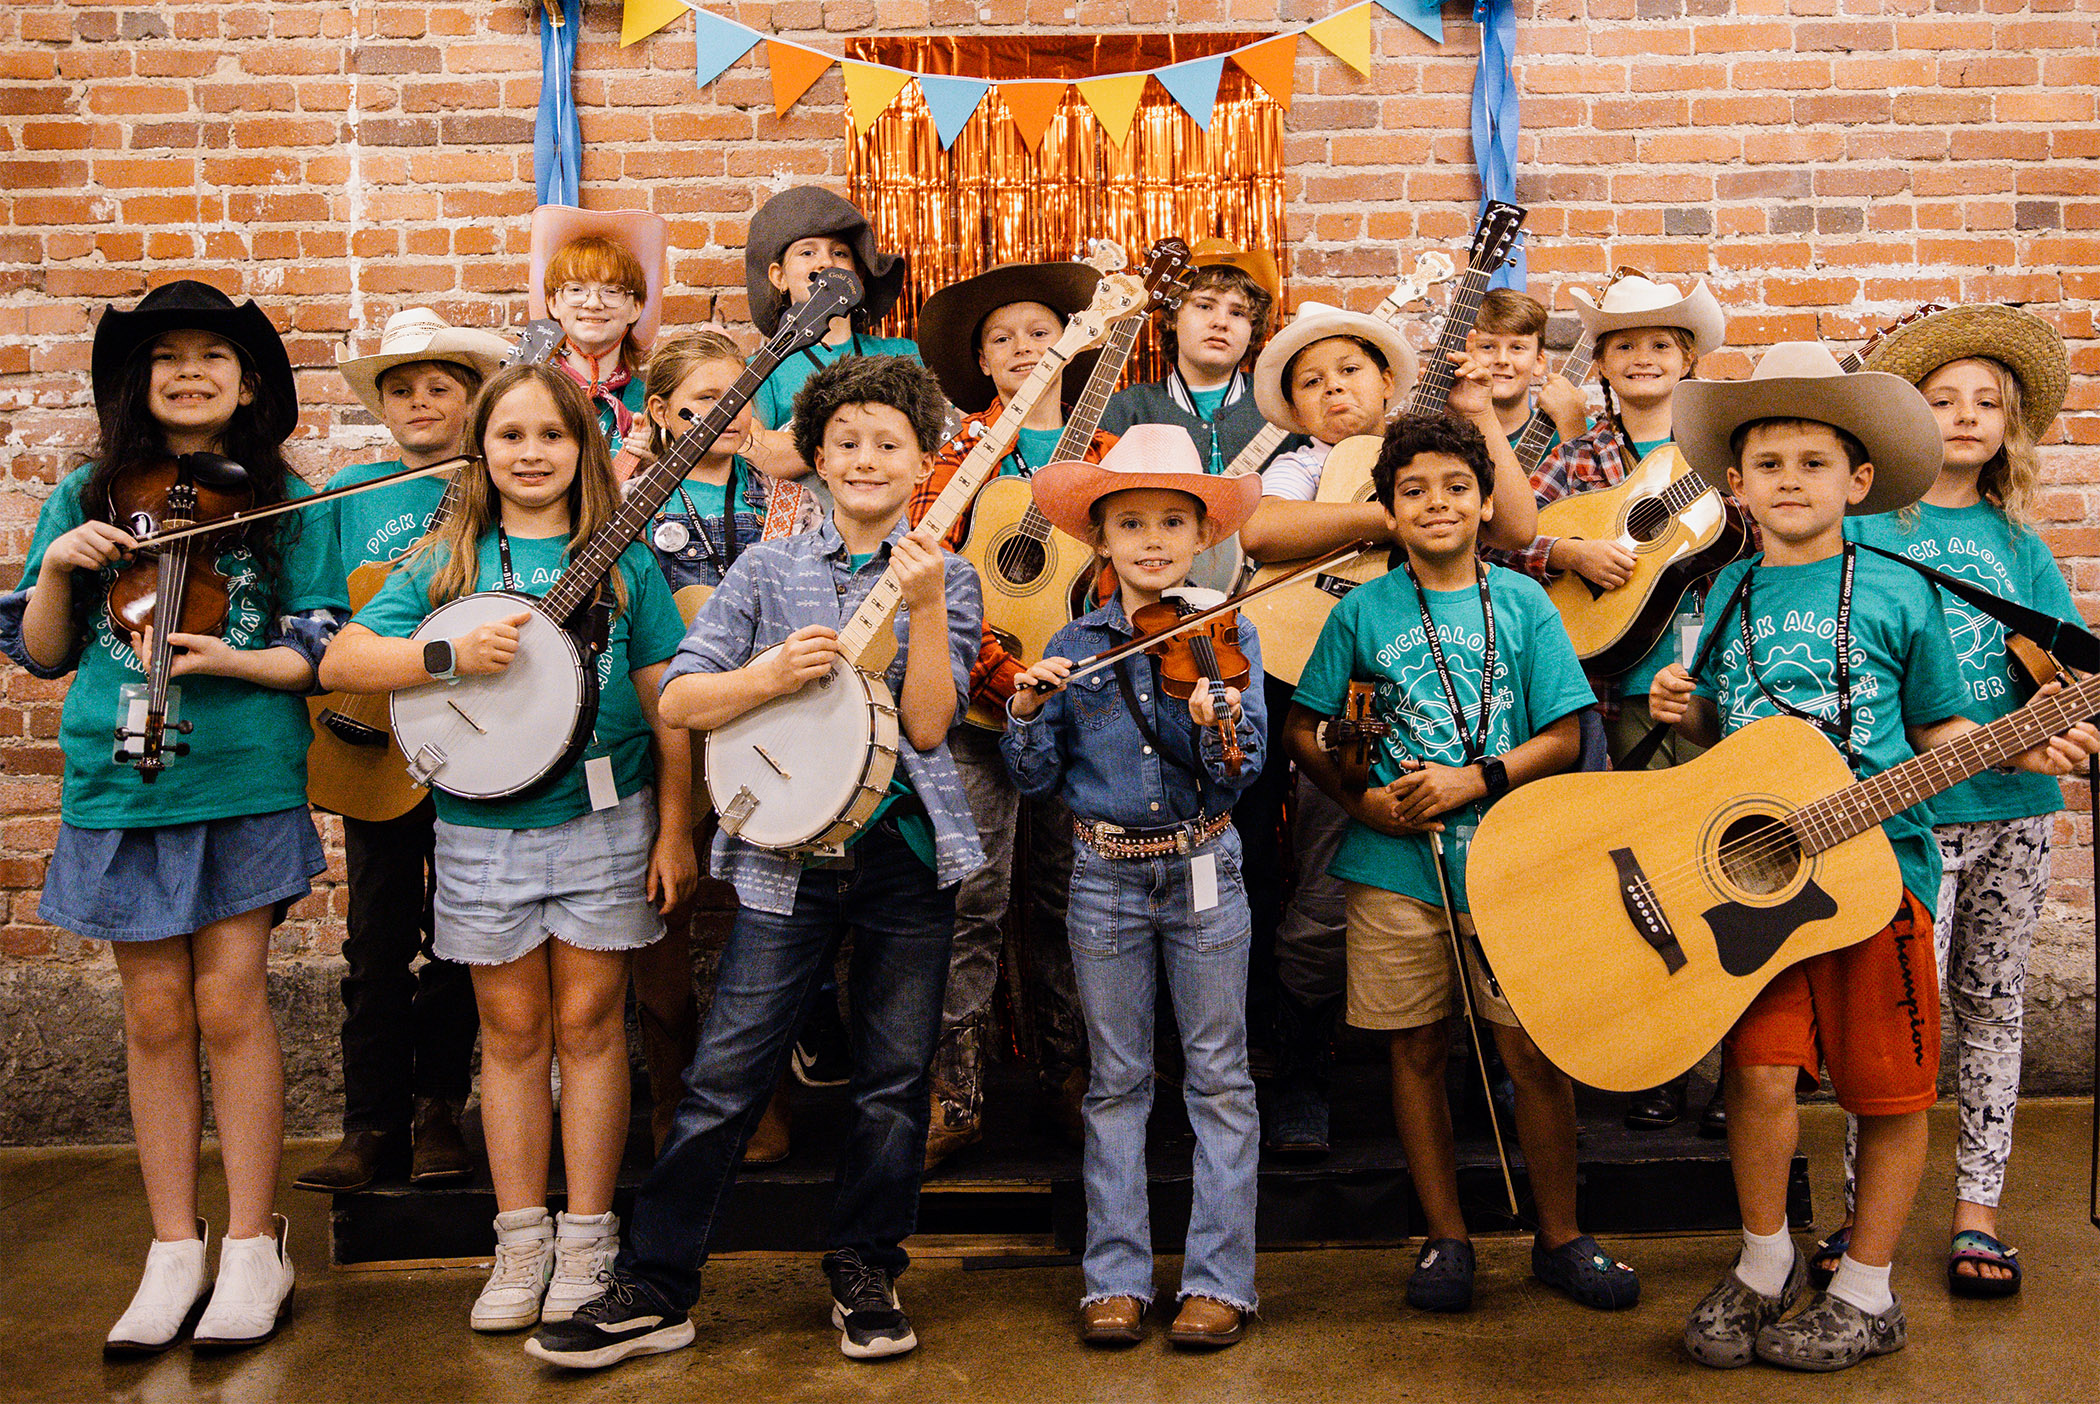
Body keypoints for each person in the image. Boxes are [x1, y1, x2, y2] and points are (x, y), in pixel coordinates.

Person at [527, 356, 984, 1370]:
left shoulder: (945, 574)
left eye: (889, 444)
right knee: (727, 1075)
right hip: (785, 862)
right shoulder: (766, 570)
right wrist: (768, 673)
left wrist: (922, 610)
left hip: (909, 860)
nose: (866, 458)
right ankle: (658, 1284)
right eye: (848, 441)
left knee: (891, 1082)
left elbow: (929, 725)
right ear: (816, 458)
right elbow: (681, 701)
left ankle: (866, 1269)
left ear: (923, 463)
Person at [1653, 341, 2098, 1372]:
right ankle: (1766, 1261)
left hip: (1878, 874)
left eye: (1816, 463)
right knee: (1759, 1072)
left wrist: (2015, 742)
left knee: (1888, 1085)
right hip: (1761, 885)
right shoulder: (1720, 599)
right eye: (1770, 465)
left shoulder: (1901, 592)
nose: (1791, 482)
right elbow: (1728, 745)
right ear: (1736, 484)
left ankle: (1866, 1289)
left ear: (1857, 481)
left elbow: (1942, 728)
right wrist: (1683, 713)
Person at [0, 280, 345, 1352]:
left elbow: (316, 653)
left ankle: (251, 1245)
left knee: (233, 1004)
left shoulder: (287, 501)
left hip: (239, 776)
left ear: (248, 386)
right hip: (121, 780)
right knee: (153, 1018)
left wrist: (239, 658)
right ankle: (171, 1247)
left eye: (213, 356)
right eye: (167, 357)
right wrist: (61, 562)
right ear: (135, 385)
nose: (190, 371)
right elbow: (47, 651)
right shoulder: (88, 495)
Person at [319, 364, 697, 1333]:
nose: (531, 453)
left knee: (592, 1028)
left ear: (585, 449)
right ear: (481, 452)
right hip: (482, 830)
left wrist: (675, 826)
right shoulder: (453, 556)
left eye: (552, 436)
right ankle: (519, 1238)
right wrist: (445, 654)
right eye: (512, 436)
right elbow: (344, 659)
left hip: (606, 823)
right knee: (515, 1034)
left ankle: (588, 1238)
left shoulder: (621, 561)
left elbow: (668, 709)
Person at [1284, 412, 1638, 1316]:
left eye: (1453, 488)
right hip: (1397, 868)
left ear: (1486, 504)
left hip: (1512, 862)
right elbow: (1303, 727)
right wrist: (1363, 800)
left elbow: (1568, 730)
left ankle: (1560, 1235)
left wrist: (1476, 777)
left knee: (1533, 1052)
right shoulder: (1361, 611)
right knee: (1416, 1048)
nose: (1435, 504)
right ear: (1389, 513)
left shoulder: (1523, 603)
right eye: (1412, 492)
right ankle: (1447, 1238)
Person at [1817, 305, 2080, 1299]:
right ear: (1905, 421)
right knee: (1890, 1012)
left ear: (2009, 427)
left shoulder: (2018, 544)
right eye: (1942, 400)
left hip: (2012, 805)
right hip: (1904, 817)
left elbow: (2055, 669)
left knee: (1995, 1002)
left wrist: (2066, 719)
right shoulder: (1867, 532)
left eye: (1988, 403)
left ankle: (1979, 1210)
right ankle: (1858, 1215)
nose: (1966, 416)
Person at [1003, 426, 1268, 1348]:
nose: (1152, 541)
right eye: (1130, 524)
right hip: (1104, 878)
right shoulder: (1074, 645)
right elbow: (1035, 783)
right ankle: (1113, 1276)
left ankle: (1219, 1282)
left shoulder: (1227, 632)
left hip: (1204, 867)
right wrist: (1028, 712)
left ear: (1200, 538)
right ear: (1101, 542)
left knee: (1219, 1080)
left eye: (1171, 523)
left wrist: (1213, 722)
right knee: (1115, 1083)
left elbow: (1243, 773)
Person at [1500, 270, 1730, 1133]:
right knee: (1641, 872)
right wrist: (1568, 555)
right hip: (1611, 686)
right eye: (1623, 345)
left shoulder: (1718, 451)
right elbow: (1507, 534)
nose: (1641, 358)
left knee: (1715, 861)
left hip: (1703, 680)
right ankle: (1657, 1063)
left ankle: (1729, 1068)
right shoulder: (1583, 454)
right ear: (1602, 362)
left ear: (1689, 359)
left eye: (1659, 345)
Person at [294, 309, 509, 1195]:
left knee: (460, 938)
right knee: (375, 941)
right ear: (380, 405)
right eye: (401, 388)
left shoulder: (495, 478)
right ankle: (369, 1123)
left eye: (440, 386)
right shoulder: (351, 490)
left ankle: (438, 1116)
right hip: (372, 733)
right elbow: (312, 614)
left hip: (468, 732)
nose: (420, 401)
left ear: (470, 399)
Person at [908, 259, 1116, 1166]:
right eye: (1003, 339)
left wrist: (1072, 678)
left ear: (1079, 342)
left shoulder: (1116, 462)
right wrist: (1002, 678)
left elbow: (1138, 578)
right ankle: (955, 1087)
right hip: (976, 715)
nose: (1025, 348)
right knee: (971, 899)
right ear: (982, 365)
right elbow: (931, 582)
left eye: (1040, 330)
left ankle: (1077, 1078)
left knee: (1074, 900)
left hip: (1086, 714)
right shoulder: (961, 460)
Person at [629, 329, 820, 1163]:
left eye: (738, 395)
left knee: (767, 914)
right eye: (703, 400)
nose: (726, 413)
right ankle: (671, 1088)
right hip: (659, 726)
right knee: (662, 908)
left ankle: (762, 1095)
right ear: (663, 414)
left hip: (769, 726)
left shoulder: (791, 498)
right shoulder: (629, 502)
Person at [1233, 302, 1419, 1156]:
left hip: (1406, 681)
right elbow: (1264, 530)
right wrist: (1385, 520)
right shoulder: (1306, 465)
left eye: (1349, 370)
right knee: (1287, 869)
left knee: (1366, 866)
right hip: (1303, 676)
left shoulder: (1433, 457)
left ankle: (1404, 1064)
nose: (1333, 388)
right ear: (1296, 411)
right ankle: (1287, 1057)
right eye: (1311, 381)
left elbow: (1510, 529)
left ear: (1387, 382)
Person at [741, 186, 917, 489]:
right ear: (779, 277)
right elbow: (760, 452)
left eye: (839, 253)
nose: (825, 263)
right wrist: (883, 436)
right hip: (807, 528)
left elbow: (935, 440)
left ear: (857, 275)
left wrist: (805, 442)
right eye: (807, 252)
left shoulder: (902, 354)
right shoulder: (760, 368)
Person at [1098, 238, 1301, 476]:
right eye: (1204, 306)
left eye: (1237, 313)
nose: (1221, 322)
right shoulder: (1125, 411)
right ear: (1173, 318)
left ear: (1252, 329)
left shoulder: (1287, 405)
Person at [528, 204, 668, 463]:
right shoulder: (528, 391)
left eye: (612, 291)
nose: (593, 303)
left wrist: (656, 466)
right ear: (553, 303)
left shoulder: (654, 404)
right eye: (576, 290)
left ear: (636, 308)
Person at [1464, 287, 1588, 453]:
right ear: (1467, 353)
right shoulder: (1441, 438)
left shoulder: (1579, 429)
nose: (1502, 359)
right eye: (1487, 346)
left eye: (1517, 348)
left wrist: (1574, 429)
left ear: (1538, 362)